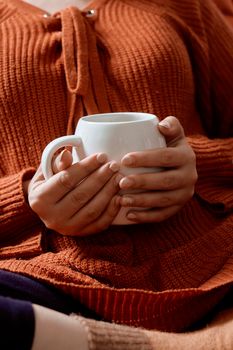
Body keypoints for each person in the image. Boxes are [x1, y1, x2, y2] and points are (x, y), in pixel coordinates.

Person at [0, 0, 233, 348]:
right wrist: (27, 199)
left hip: (215, 262)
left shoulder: (184, 5)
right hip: (41, 280)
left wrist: (198, 164)